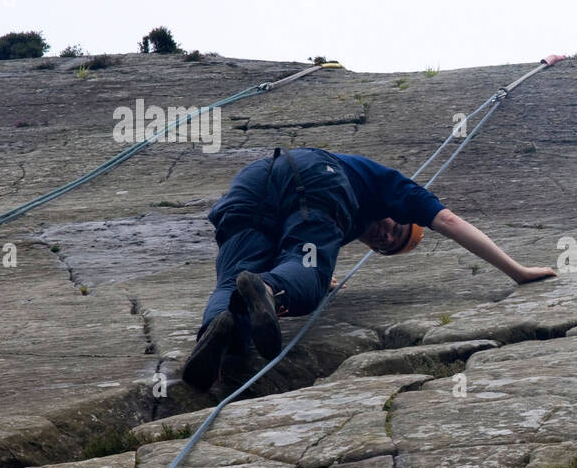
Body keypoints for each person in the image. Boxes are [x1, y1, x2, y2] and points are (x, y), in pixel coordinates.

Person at [181, 147, 555, 390]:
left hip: (252, 183)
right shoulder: (397, 190)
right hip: (315, 177)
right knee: (305, 278)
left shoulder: (338, 227)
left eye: (385, 245)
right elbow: (450, 221)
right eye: (396, 229)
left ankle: (218, 337)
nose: (386, 235)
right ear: (404, 216)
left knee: (234, 278)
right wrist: (516, 271)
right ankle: (272, 291)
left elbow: (298, 245)